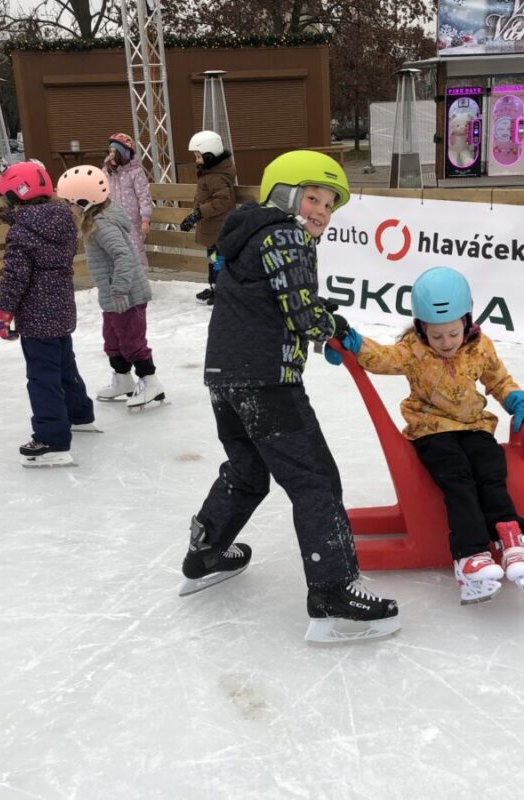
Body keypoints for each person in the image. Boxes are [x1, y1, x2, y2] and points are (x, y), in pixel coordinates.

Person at [179, 150, 399, 644]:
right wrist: (332, 325)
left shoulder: (248, 233)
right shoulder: (287, 235)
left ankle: (205, 552)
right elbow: (302, 314)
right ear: (283, 193)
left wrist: (317, 311)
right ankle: (333, 593)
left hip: (224, 378)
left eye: (329, 205)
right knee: (315, 480)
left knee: (247, 472)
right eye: (313, 198)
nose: (321, 211)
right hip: (268, 382)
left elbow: (271, 297)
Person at [326, 267, 524, 603]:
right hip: (431, 430)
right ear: (421, 328)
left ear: (467, 322)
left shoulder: (480, 347)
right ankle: (470, 554)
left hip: (473, 425)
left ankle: (510, 536)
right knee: (458, 478)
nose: (446, 343)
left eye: (453, 333)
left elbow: (498, 379)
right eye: (436, 335)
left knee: (491, 472)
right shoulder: (413, 350)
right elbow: (382, 359)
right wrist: (352, 343)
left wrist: (519, 403)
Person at [0, 162, 96, 467]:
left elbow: (15, 278)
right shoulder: (64, 221)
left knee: (42, 379)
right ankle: (80, 414)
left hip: (38, 320)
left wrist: (3, 312)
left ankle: (52, 439)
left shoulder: (22, 232)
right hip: (62, 312)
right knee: (65, 368)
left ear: (15, 196)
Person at [57, 165, 165, 409]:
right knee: (113, 340)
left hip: (126, 295)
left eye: (70, 203)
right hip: (113, 295)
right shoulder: (94, 221)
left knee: (132, 341)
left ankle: (151, 382)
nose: (69, 209)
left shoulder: (102, 225)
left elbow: (123, 256)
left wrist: (119, 289)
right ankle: (123, 379)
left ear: (84, 201)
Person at [179, 130, 236, 305]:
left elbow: (223, 200)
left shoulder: (216, 177)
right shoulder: (209, 174)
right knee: (213, 259)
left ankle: (221, 291)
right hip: (212, 229)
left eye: (198, 156)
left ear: (209, 156)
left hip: (219, 229)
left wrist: (198, 213)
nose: (196, 160)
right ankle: (214, 287)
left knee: (218, 261)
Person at [101, 132, 152, 271]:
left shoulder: (135, 172)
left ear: (124, 154)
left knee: (135, 249)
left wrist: (145, 219)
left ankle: (140, 278)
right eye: (110, 151)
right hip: (111, 219)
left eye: (115, 152)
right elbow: (100, 191)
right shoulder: (106, 171)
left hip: (131, 221)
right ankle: (121, 278)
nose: (111, 155)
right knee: (115, 249)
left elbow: (144, 196)